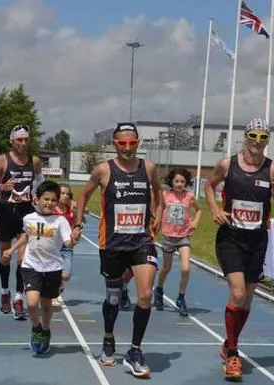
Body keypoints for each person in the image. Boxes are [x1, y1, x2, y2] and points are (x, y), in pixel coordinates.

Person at [204, 118, 274, 381]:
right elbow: (209, 185)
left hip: (256, 241)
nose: (257, 142)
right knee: (238, 293)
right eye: (253, 136)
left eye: (263, 137)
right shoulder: (227, 164)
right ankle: (233, 354)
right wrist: (216, 209)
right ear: (245, 137)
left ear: (267, 141)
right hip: (230, 237)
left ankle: (228, 343)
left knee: (247, 301)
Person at [76, 122, 162, 378]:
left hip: (141, 241)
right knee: (113, 298)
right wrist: (78, 222)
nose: (127, 148)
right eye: (122, 143)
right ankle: (108, 337)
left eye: (132, 143)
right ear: (114, 144)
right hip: (112, 244)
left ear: (138, 144)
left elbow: (158, 191)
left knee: (145, 294)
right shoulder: (104, 170)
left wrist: (158, 213)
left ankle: (135, 351)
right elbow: (83, 196)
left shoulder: (148, 168)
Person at [3, 181, 81, 354]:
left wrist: (75, 239)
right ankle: (36, 327)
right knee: (31, 304)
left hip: (53, 268)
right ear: (36, 199)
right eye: (46, 199)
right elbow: (26, 236)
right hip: (31, 266)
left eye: (54, 200)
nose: (49, 203)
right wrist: (12, 249)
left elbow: (68, 243)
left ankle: (45, 329)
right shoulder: (28, 218)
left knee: (46, 306)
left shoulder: (60, 221)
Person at [0, 124, 44, 320]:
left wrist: (37, 196)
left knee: (23, 259)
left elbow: (40, 184)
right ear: (12, 141)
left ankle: (18, 298)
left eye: (26, 139)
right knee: (6, 256)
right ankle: (4, 292)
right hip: (5, 212)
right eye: (19, 140)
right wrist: (2, 185)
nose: (23, 143)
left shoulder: (34, 162)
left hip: (26, 212)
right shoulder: (3, 160)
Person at [153, 167, 202, 316]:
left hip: (183, 236)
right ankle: (159, 289)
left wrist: (195, 222)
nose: (180, 184)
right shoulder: (165, 195)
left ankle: (181, 297)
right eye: (177, 181)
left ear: (186, 182)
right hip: (168, 236)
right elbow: (160, 209)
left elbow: (199, 210)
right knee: (166, 267)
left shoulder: (190, 196)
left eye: (182, 181)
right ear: (172, 182)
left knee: (186, 268)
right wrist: (157, 222)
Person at [51, 183, 82, 307]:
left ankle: (58, 286)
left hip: (67, 244)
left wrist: (76, 205)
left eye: (67, 194)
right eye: (62, 193)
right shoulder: (51, 208)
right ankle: (53, 294)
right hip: (53, 244)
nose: (65, 196)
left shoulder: (71, 208)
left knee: (66, 275)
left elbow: (86, 210)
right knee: (53, 271)